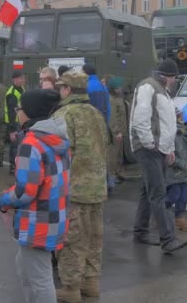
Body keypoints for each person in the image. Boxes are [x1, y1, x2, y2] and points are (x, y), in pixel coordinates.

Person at [0, 89, 70, 303]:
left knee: (40, 279)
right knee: (25, 269)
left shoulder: (31, 143)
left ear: (28, 112)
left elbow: (25, 191)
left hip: (37, 220)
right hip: (56, 215)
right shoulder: (57, 138)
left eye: (19, 109)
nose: (17, 112)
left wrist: (1, 199)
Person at [52, 72, 109, 302]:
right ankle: (91, 284)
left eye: (60, 87)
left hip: (73, 189)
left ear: (67, 89)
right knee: (94, 238)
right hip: (97, 188)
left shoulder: (63, 114)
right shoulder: (96, 114)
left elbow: (60, 153)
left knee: (72, 240)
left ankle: (71, 288)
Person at [130, 59, 187, 254]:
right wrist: (150, 143)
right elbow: (140, 118)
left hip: (157, 149)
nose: (174, 81)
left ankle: (140, 232)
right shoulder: (149, 87)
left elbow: (168, 124)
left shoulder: (161, 90)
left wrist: (169, 149)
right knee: (158, 193)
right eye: (173, 77)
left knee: (148, 192)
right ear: (167, 76)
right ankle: (168, 239)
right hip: (149, 149)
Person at [165, 111, 187, 232]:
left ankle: (180, 218)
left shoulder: (180, 133)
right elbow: (170, 155)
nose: (182, 119)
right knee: (173, 195)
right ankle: (160, 212)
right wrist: (183, 164)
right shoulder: (171, 134)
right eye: (179, 117)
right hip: (173, 172)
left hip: (182, 172)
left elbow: (185, 153)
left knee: (184, 196)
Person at [108, 76, 128, 188]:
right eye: (118, 87)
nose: (120, 89)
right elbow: (113, 118)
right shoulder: (111, 100)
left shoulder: (118, 98)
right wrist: (116, 131)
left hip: (121, 131)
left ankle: (119, 173)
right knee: (113, 155)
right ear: (113, 89)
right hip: (116, 133)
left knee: (119, 154)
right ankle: (112, 176)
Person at [5, 72, 26, 175]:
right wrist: (12, 130)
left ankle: (17, 165)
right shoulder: (12, 93)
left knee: (20, 146)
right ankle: (13, 167)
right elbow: (11, 112)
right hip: (15, 124)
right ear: (14, 80)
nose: (23, 80)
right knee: (14, 146)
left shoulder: (21, 89)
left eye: (23, 78)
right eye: (20, 78)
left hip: (21, 122)